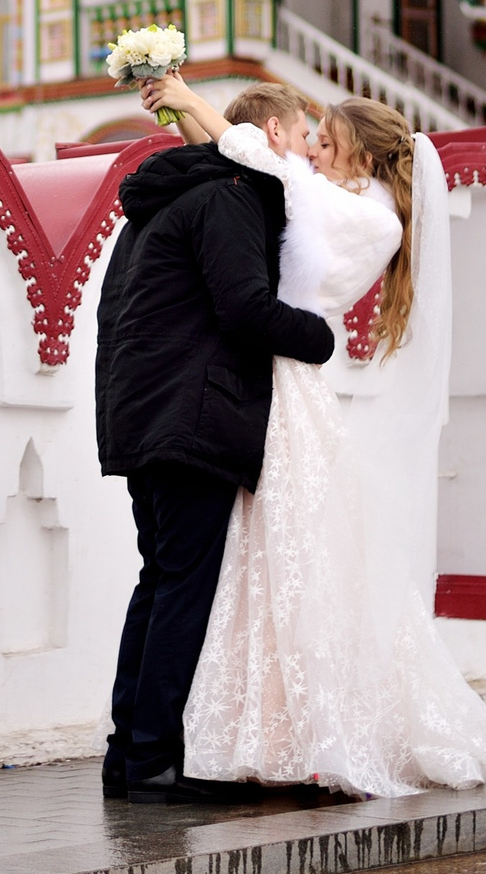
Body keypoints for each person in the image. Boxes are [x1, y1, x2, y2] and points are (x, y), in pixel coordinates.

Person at [141, 73, 486, 798]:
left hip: (286, 386)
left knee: (286, 557)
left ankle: (305, 732)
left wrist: (184, 93)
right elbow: (245, 162)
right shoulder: (335, 202)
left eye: (328, 141)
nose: (313, 149)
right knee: (260, 561)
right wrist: (179, 112)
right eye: (313, 139)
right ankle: (261, 730)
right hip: (268, 377)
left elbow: (255, 156)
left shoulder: (371, 220)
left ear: (363, 154)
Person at [94, 82, 339, 804]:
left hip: (144, 417)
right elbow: (244, 307)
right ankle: (151, 760)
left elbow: (117, 315)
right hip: (193, 417)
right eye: (300, 139)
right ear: (267, 132)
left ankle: (127, 754)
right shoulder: (231, 194)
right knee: (182, 590)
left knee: (159, 580)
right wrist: (318, 336)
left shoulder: (156, 203)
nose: (304, 158)